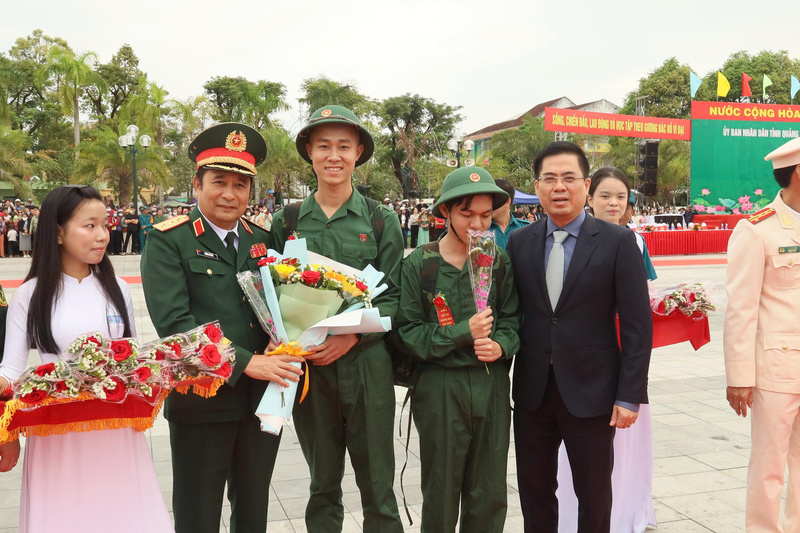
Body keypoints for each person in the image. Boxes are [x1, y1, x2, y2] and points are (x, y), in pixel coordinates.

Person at [141, 123, 302, 533]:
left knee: (253, 510)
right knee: (199, 512)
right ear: (196, 184)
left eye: (241, 185)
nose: (230, 194)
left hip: (262, 403)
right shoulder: (168, 241)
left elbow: (281, 309)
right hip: (204, 399)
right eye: (219, 182)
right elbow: (177, 326)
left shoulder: (262, 239)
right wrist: (249, 363)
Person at [0, 185, 173, 532]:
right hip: (57, 435)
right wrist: (6, 431)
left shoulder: (117, 288)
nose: (102, 236)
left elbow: (131, 358)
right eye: (89, 225)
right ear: (59, 232)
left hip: (115, 429)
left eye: (104, 224)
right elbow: (11, 370)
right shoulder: (29, 295)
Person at [270, 105, 404, 533]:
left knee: (378, 485)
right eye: (323, 145)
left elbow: (396, 298)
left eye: (344, 146)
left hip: (367, 368)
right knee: (322, 483)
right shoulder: (286, 221)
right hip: (312, 370)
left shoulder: (381, 220)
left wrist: (351, 338)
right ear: (309, 151)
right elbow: (269, 292)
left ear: (358, 152)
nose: (334, 156)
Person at [508, 141, 653, 533]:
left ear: (586, 185)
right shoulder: (519, 243)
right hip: (532, 392)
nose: (559, 187)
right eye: (549, 179)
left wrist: (629, 395)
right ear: (536, 186)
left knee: (594, 494)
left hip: (593, 394)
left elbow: (639, 326)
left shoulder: (617, 242)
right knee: (535, 493)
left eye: (569, 178)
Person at [394, 166, 521, 532]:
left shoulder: (496, 260)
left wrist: (501, 345)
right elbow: (406, 332)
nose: (476, 223)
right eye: (466, 213)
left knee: (490, 488)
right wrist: (461, 334)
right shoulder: (421, 264)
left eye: (485, 214)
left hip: (491, 386)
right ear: (445, 212)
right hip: (440, 387)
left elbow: (513, 318)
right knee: (442, 487)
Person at [555, 166, 657, 533]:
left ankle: (628, 511)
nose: (614, 203)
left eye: (621, 197)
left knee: (615, 457)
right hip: (571, 372)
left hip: (618, 367)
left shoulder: (634, 241)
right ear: (588, 195)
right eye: (605, 196)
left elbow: (638, 306)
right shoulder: (556, 238)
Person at [724, 137, 800, 532]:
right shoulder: (756, 230)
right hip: (777, 369)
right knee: (770, 466)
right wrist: (739, 377)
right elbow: (741, 309)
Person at [490, 178, 530, 251]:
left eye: (494, 200)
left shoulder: (527, 228)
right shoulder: (480, 230)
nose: (489, 205)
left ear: (507, 202)